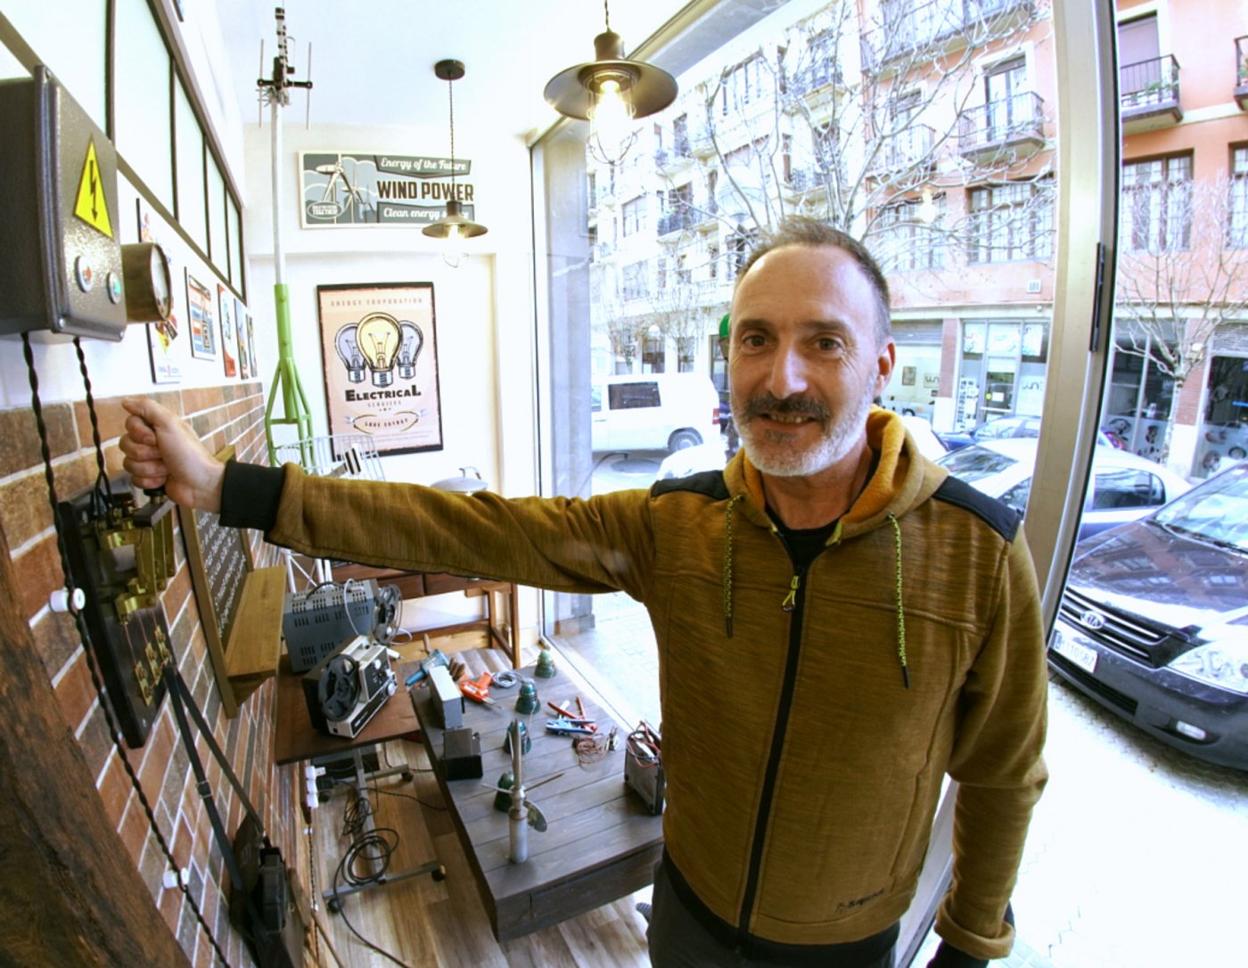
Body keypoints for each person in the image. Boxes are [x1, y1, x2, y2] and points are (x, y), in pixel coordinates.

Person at [121, 217, 1047, 968]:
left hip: (845, 948)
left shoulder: (978, 553)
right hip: (687, 917)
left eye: (825, 342)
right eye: (756, 340)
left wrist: (970, 946)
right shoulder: (679, 526)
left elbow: (1003, 773)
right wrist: (232, 489)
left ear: (883, 363)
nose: (782, 378)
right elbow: (470, 528)